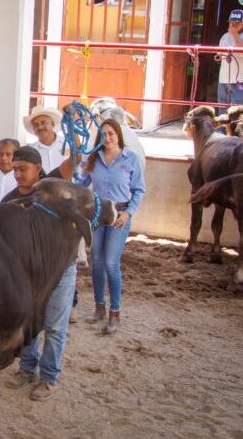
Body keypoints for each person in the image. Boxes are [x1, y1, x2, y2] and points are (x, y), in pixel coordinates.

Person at [3, 145, 78, 401]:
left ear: (38, 168)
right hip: (29, 273)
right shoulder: (10, 201)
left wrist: (78, 144)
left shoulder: (53, 188)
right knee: (29, 323)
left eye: (23, 169)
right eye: (14, 170)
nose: (18, 175)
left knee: (55, 327)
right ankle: (26, 369)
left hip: (60, 269)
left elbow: (74, 161)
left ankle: (48, 378)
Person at [79, 119, 145, 334]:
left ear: (118, 135)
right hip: (98, 214)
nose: (107, 138)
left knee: (110, 262)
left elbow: (139, 190)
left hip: (119, 215)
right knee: (96, 261)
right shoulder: (93, 159)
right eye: (104, 134)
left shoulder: (130, 159)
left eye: (111, 134)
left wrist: (128, 213)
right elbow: (82, 183)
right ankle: (99, 308)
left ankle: (114, 313)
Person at [216, 9, 243, 108]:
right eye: (231, 22)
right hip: (224, 80)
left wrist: (234, 34)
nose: (233, 25)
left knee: (237, 113)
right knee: (222, 114)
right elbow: (220, 55)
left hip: (241, 81)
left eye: (237, 23)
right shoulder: (225, 36)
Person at [24, 104, 67, 175]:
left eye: (43, 122)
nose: (40, 127)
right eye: (36, 125)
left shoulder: (67, 144)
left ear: (52, 124)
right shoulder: (30, 151)